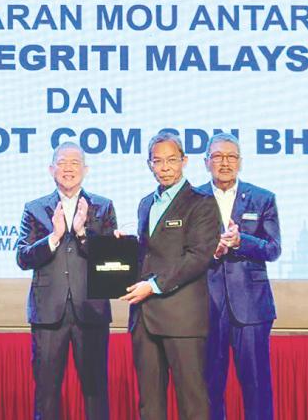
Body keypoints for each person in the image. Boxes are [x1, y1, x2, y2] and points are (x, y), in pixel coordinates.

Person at [120, 131, 220, 420]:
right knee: (149, 405)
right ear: (149, 164)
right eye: (158, 161)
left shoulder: (201, 203)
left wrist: (153, 286)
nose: (164, 167)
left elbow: (198, 257)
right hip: (144, 318)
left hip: (182, 318)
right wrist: (120, 247)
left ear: (184, 161)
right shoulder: (145, 204)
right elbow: (147, 254)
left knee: (192, 401)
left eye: (171, 160)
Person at [15, 142, 119, 419]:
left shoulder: (103, 206)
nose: (68, 168)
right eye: (62, 162)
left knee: (95, 389)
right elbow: (23, 257)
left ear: (85, 169)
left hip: (91, 309)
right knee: (46, 392)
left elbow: (109, 261)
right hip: (48, 313)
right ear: (51, 169)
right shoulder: (35, 208)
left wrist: (83, 233)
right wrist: (54, 237)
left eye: (75, 163)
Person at [199, 133, 281, 420]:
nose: (225, 162)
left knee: (257, 386)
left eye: (231, 156)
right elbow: (184, 252)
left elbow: (273, 249)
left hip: (252, 308)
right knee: (209, 387)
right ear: (206, 162)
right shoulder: (191, 199)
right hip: (206, 306)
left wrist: (240, 241)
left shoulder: (262, 199)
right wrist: (213, 250)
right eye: (218, 156)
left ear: (240, 162)